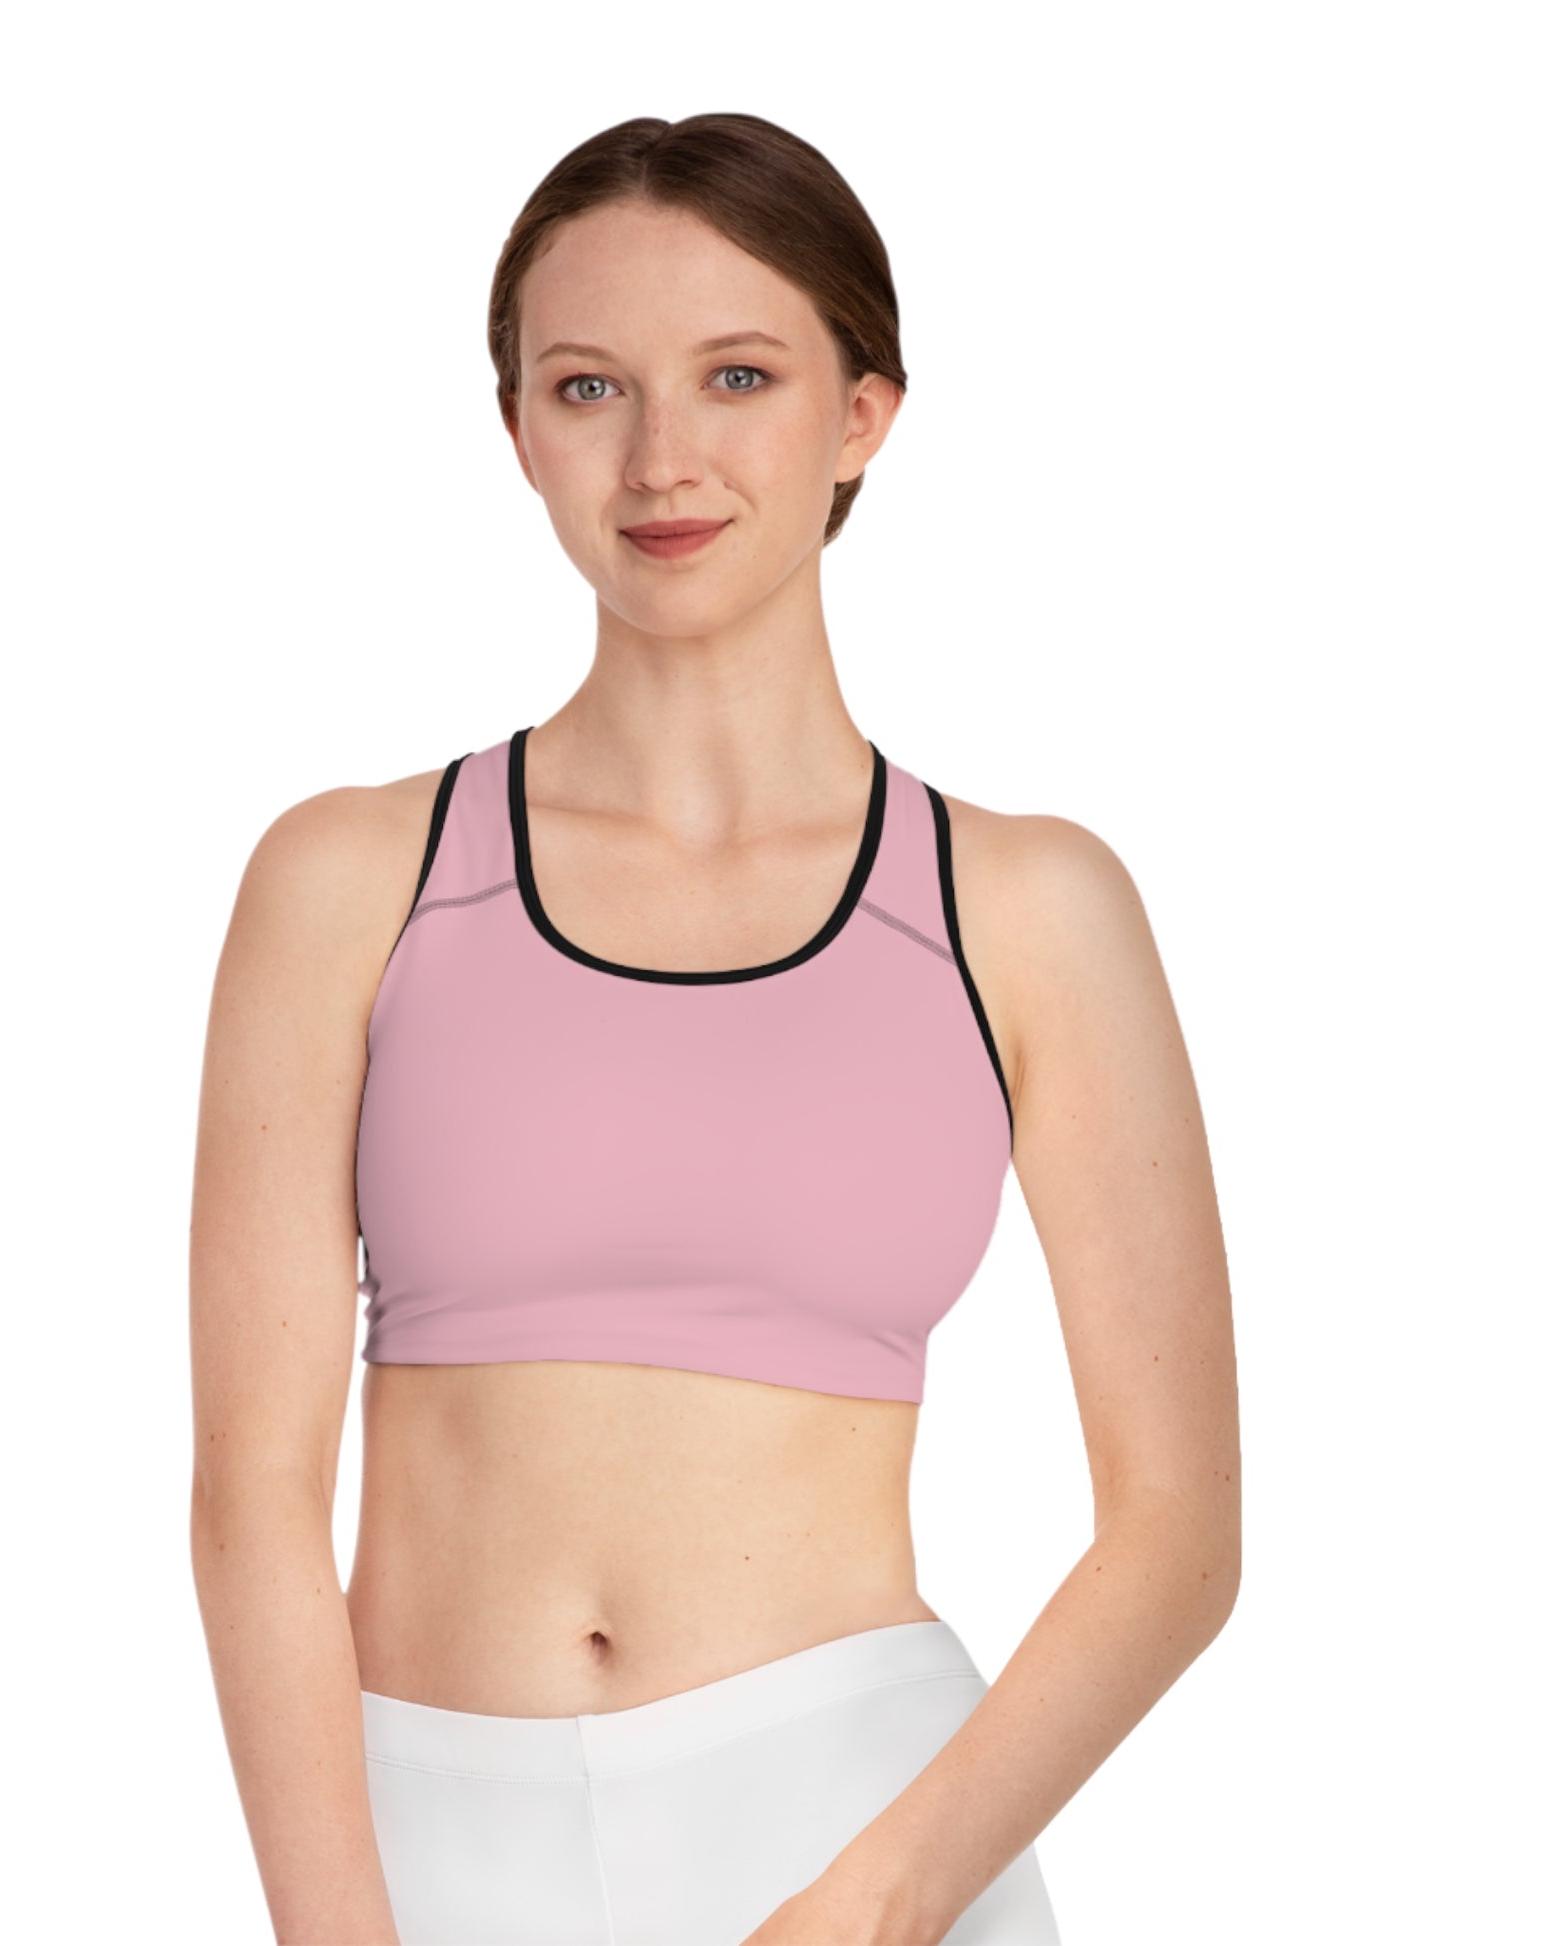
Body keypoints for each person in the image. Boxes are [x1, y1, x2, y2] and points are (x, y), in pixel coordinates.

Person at [189, 111, 1241, 1946]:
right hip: (417, 1836)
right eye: (588, 386)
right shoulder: (348, 880)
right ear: (517, 428)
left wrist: (879, 1903)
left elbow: (1177, 1526)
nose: (660, 457)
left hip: (856, 1830)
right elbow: (251, 1501)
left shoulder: (1025, 908)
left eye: (737, 376)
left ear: (860, 414)